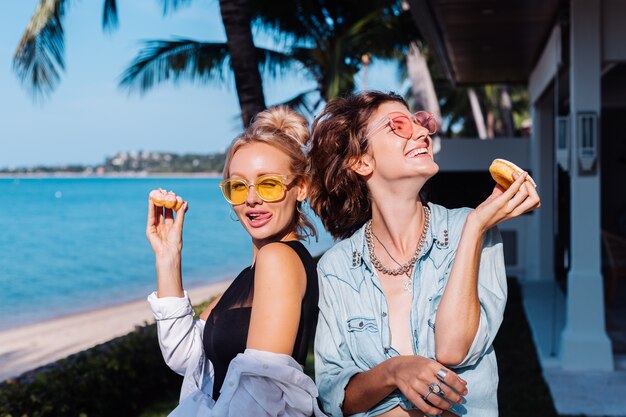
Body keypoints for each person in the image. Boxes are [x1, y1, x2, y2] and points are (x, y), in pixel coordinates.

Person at [307, 91, 540, 417]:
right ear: (362, 161)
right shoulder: (336, 267)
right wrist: (394, 371)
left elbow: (452, 349)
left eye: (420, 123)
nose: (422, 132)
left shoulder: (474, 229)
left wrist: (474, 228)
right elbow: (336, 396)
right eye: (399, 125)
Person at [145, 106, 324, 416]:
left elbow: (259, 398)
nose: (252, 198)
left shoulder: (278, 258)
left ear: (302, 188)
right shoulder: (251, 273)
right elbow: (188, 358)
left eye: (268, 183)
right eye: (238, 186)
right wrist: (168, 256)